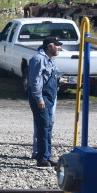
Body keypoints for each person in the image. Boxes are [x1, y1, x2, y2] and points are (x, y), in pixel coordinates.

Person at [28, 37, 61, 167]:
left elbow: (47, 77)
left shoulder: (50, 60)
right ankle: (41, 158)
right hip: (42, 98)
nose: (59, 48)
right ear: (49, 46)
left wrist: (59, 81)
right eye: (57, 45)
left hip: (49, 97)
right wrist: (39, 99)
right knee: (43, 127)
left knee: (47, 127)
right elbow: (35, 81)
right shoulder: (38, 59)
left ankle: (47, 156)